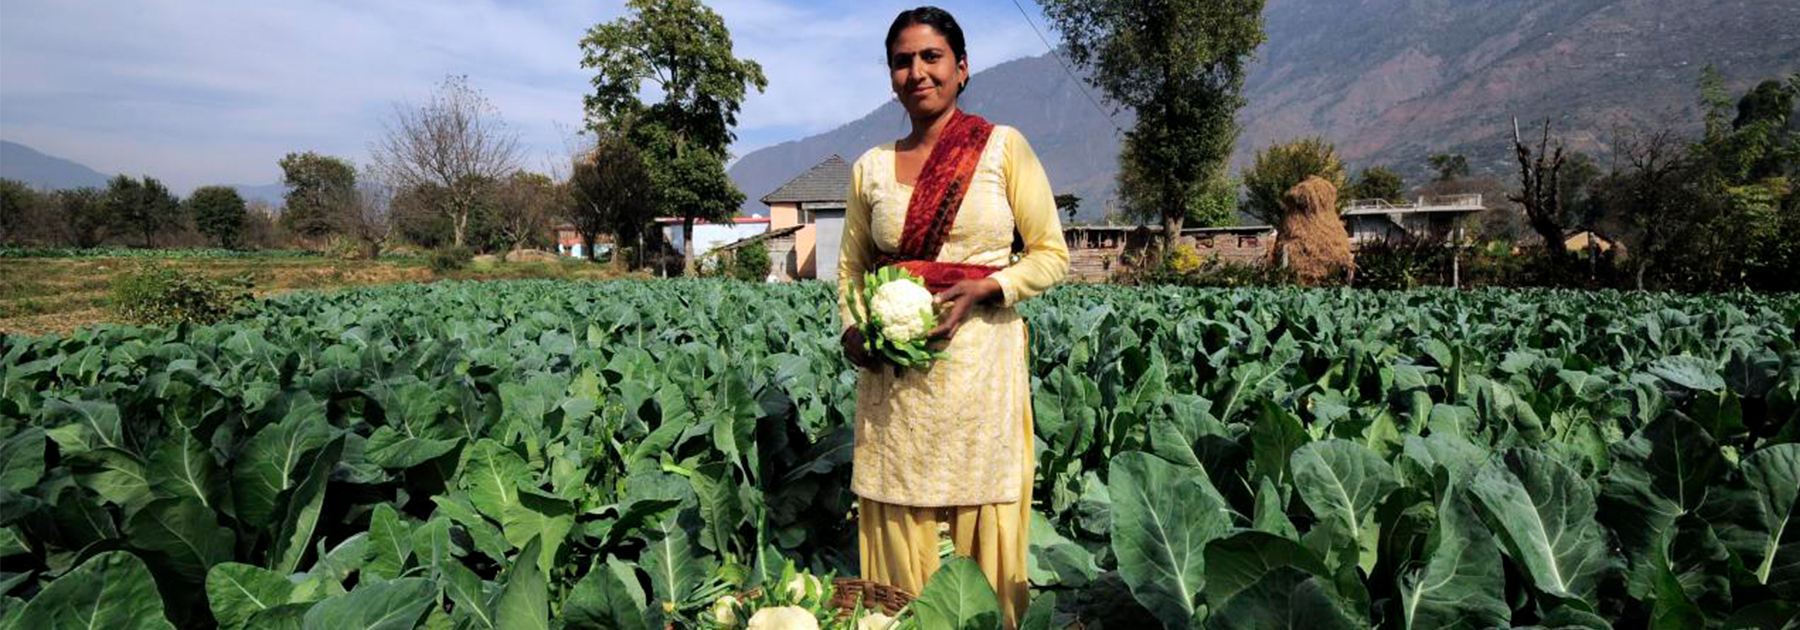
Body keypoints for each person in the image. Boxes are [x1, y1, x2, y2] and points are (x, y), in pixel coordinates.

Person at [837, 7, 1068, 627]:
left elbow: (1051, 256)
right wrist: (854, 331)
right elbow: (850, 273)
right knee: (897, 510)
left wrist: (986, 288)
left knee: (979, 514)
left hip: (979, 375)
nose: (917, 72)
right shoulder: (870, 168)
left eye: (931, 57)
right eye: (902, 60)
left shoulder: (1002, 147)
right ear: (891, 75)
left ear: (961, 69)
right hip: (895, 388)